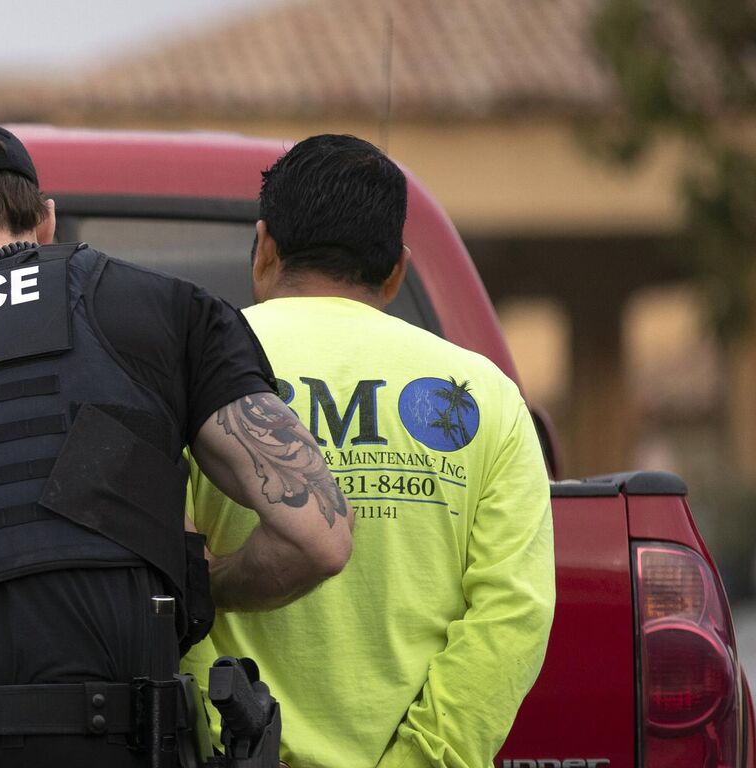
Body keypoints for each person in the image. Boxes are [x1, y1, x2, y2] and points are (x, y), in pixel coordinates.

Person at [0, 118, 353, 767]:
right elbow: (319, 534)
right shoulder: (153, 306)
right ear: (47, 222)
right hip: (122, 739)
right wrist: (207, 582)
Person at [183, 134, 556, 767]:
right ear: (397, 270)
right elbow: (514, 611)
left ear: (264, 246)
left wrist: (221, 742)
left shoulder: (187, 371)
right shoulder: (486, 395)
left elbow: (162, 585)